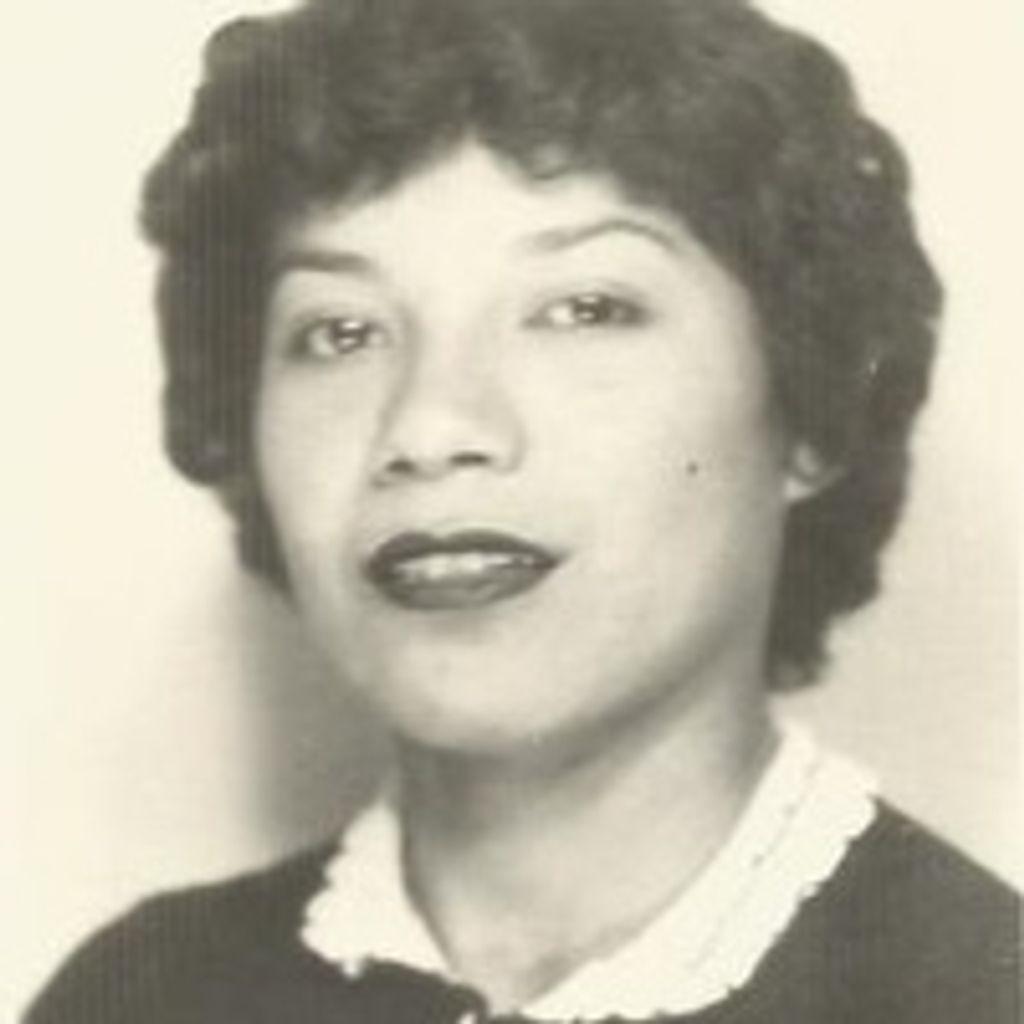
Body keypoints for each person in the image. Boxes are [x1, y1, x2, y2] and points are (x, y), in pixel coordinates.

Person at [26, 0, 1017, 1021]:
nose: (429, 424)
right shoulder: (137, 996)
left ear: (811, 412)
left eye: (584, 309)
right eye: (340, 331)